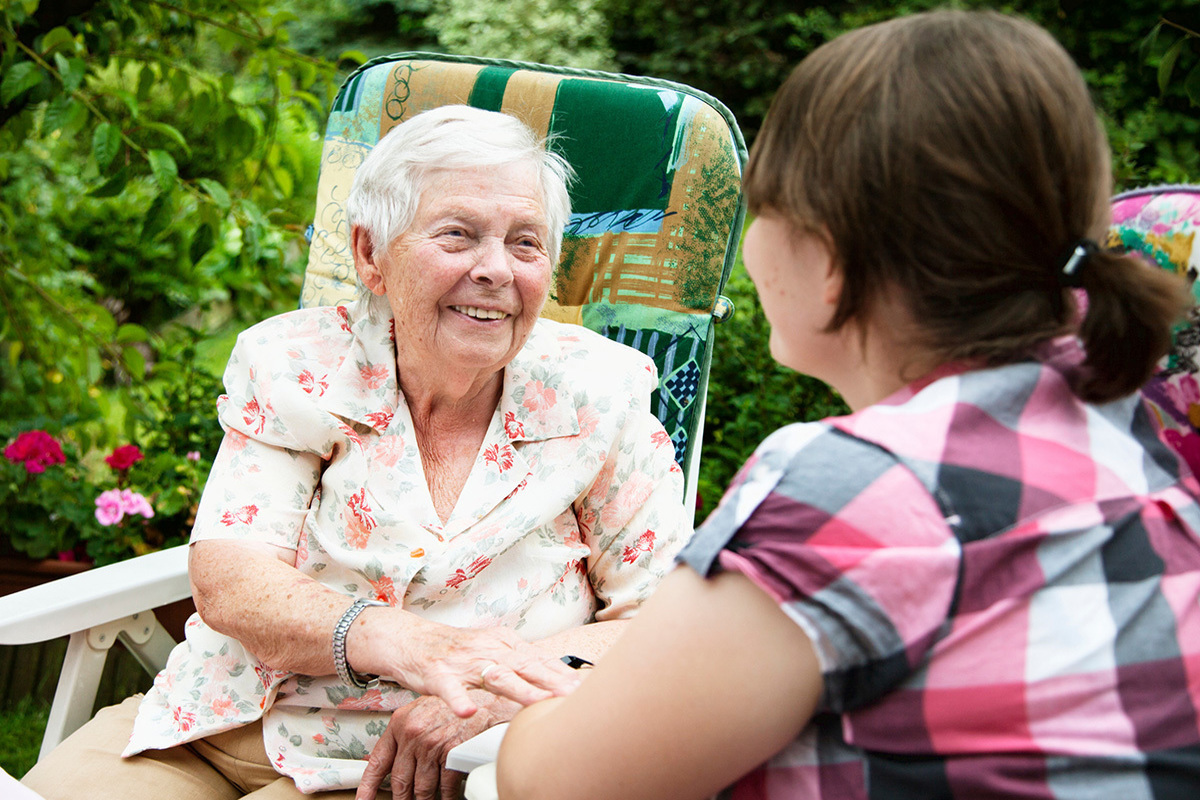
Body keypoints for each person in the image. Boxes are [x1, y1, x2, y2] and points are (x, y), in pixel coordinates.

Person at [496, 10, 1200, 800]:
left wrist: (528, 723)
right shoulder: (1131, 427)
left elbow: (566, 783)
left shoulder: (856, 486)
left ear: (830, 259)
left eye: (761, 212)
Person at [23, 105, 689, 800]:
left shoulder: (596, 396)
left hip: (408, 762)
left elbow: (666, 619)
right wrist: (406, 642)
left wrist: (502, 695)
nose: (495, 270)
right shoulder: (294, 366)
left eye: (526, 243)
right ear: (372, 255)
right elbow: (233, 574)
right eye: (458, 236)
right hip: (216, 722)